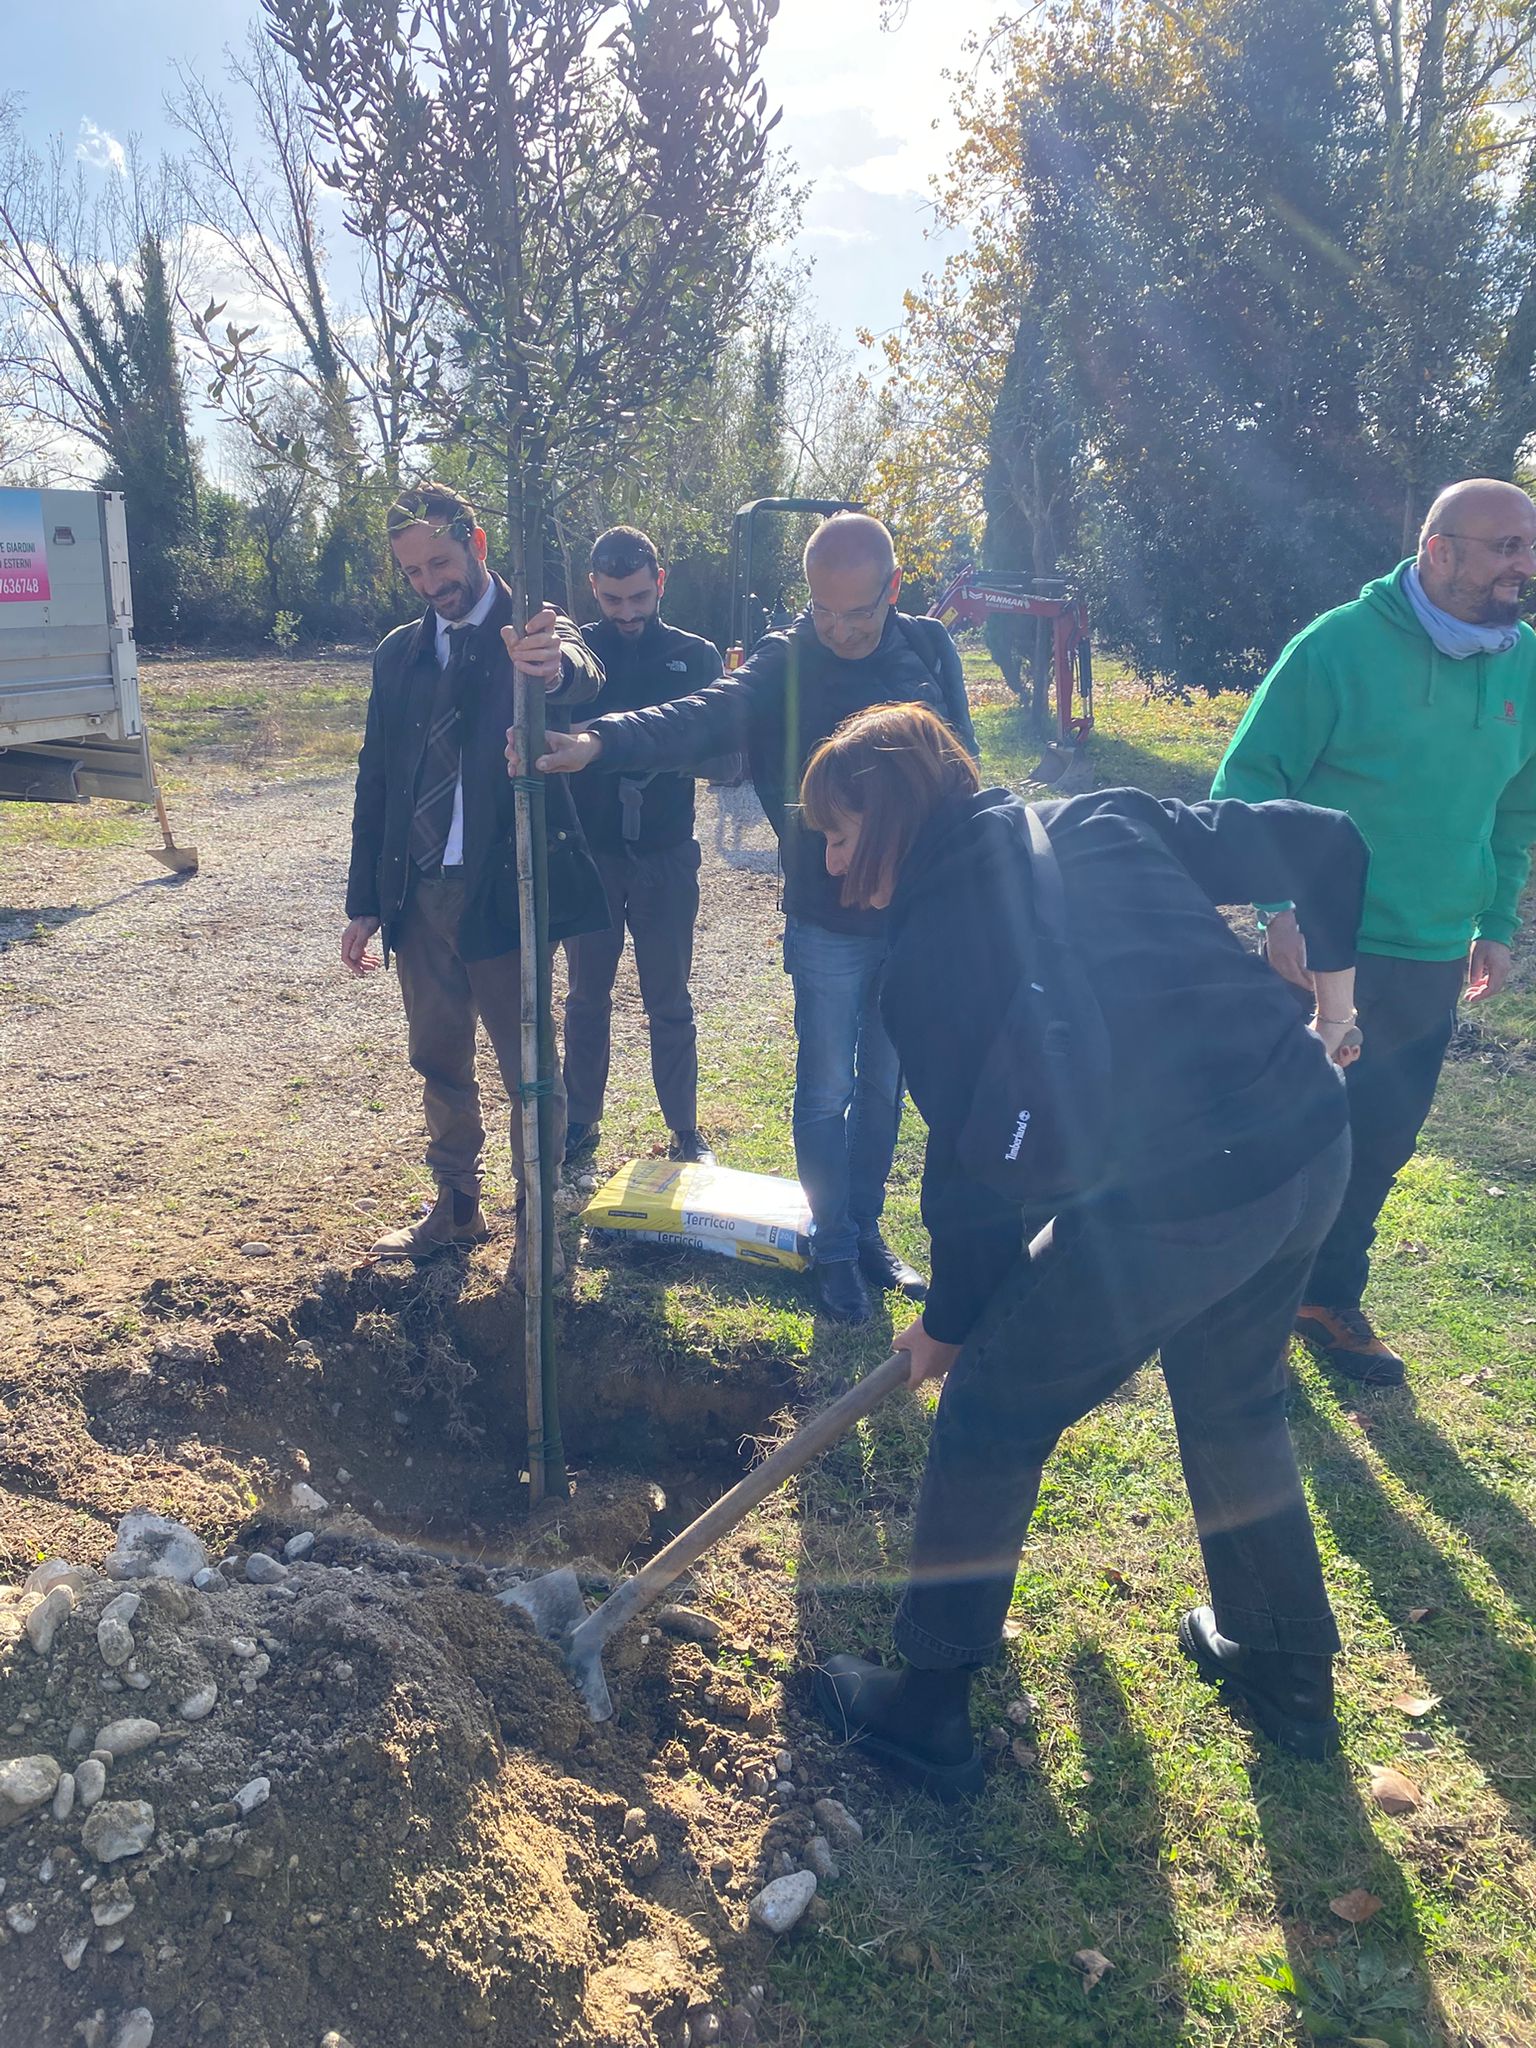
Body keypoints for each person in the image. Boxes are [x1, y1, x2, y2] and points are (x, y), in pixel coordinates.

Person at [797, 703, 1367, 1797]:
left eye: (837, 831)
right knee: (1237, 1399)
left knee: (991, 1412)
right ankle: (1286, 1668)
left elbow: (974, 1181)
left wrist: (954, 1323)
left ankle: (925, 1707)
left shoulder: (928, 954)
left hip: (1189, 1193)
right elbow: (1329, 839)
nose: (829, 862)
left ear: (897, 813)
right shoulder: (1103, 814)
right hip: (1308, 1132)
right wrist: (1334, 1010)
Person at [526, 512, 978, 1326]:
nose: (838, 631)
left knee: (884, 1087)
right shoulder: (787, 658)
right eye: (823, 611)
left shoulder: (931, 652)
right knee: (825, 1088)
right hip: (825, 917)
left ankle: (868, 1232)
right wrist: (600, 741)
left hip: (918, 917)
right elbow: (698, 714)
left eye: (858, 614)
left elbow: (963, 774)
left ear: (894, 590)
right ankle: (832, 1246)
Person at [1213, 478, 1536, 1386]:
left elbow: (1514, 812)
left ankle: (1328, 1299)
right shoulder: (1339, 647)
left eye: (1529, 545)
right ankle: (1243, 1317)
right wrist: (1278, 909)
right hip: (1326, 951)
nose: (1524, 564)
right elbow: (1246, 780)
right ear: (1440, 550)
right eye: (1504, 545)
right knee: (1290, 1136)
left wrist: (1495, 923)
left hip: (1432, 950)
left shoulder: (1526, 665)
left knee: (1382, 1140)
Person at [342, 482, 608, 1287]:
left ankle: (540, 1229)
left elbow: (580, 671)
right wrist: (364, 899)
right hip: (418, 893)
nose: (430, 583)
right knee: (438, 1056)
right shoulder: (399, 653)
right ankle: (457, 1206)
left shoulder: (533, 630)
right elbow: (376, 777)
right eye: (414, 571)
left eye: (442, 562)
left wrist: (553, 666)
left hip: (503, 890)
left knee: (529, 1066)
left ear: (477, 542)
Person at [562, 526, 722, 1167]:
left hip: (664, 854)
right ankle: (579, 1123)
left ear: (659, 583)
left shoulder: (696, 654)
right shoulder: (578, 652)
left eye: (636, 597)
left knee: (669, 998)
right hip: (593, 856)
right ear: (593, 592)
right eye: (611, 600)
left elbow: (713, 742)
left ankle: (685, 1130)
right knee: (584, 996)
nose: (626, 613)